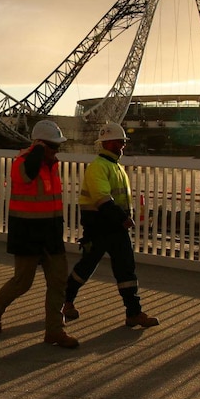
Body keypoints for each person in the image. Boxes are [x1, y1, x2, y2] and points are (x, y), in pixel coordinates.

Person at [0, 120, 79, 348]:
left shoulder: (52, 166)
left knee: (58, 282)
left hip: (50, 232)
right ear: (39, 145)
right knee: (22, 282)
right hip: (27, 232)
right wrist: (36, 151)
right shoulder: (21, 163)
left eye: (58, 147)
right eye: (53, 146)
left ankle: (54, 332)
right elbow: (26, 176)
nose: (57, 151)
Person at [61, 122, 159, 329]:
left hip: (114, 228)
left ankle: (134, 313)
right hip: (100, 228)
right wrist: (122, 218)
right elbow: (102, 198)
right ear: (107, 143)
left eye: (123, 142)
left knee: (126, 270)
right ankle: (65, 302)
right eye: (119, 142)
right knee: (85, 268)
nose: (122, 146)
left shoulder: (115, 167)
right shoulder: (99, 167)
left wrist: (122, 220)